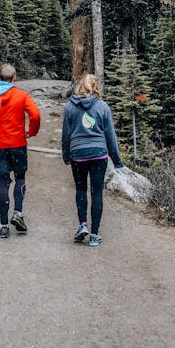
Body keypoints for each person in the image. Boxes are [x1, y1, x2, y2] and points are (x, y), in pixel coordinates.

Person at [0, 64, 41, 238]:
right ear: (15, 78)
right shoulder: (21, 95)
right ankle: (18, 214)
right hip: (18, 144)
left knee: (3, 182)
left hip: (0, 146)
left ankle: (4, 225)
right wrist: (31, 132)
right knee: (20, 178)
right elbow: (35, 115)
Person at [61, 73, 123, 246]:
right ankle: (95, 235)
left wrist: (66, 155)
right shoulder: (102, 107)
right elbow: (110, 135)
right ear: (96, 87)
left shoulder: (70, 107)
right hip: (98, 154)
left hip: (77, 155)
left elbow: (66, 134)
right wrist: (117, 160)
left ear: (80, 86)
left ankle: (82, 225)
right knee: (96, 193)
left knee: (81, 189)